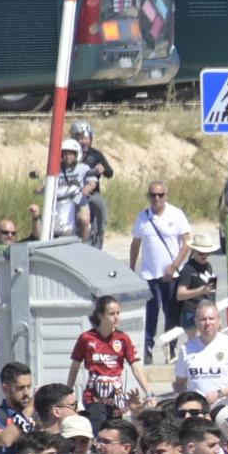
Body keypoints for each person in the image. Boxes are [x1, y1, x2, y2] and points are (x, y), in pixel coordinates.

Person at [130, 180, 191, 360]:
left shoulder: (176, 214)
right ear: (148, 197)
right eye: (153, 195)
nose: (157, 198)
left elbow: (187, 242)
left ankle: (170, 349)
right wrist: (132, 268)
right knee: (151, 314)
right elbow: (136, 243)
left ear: (167, 195)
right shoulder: (142, 217)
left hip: (171, 275)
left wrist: (174, 266)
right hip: (150, 275)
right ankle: (147, 348)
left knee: (171, 313)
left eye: (160, 195)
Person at [66, 295, 148, 426]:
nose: (116, 317)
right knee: (98, 429)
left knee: (114, 432)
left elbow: (135, 366)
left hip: (116, 397)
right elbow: (75, 366)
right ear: (100, 315)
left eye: (118, 313)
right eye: (111, 314)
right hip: (93, 396)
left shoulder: (123, 338)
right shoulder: (86, 338)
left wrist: (149, 392)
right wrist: (68, 393)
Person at [172, 301, 228, 417]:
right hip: (198, 415)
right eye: (203, 319)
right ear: (196, 322)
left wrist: (219, 394)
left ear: (219, 320)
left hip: (225, 411)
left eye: (211, 318)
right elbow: (179, 384)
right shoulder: (186, 348)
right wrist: (187, 403)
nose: (208, 323)